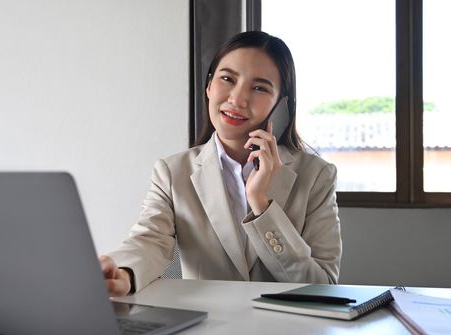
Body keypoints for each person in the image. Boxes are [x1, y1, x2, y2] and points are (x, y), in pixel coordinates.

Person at [100, 31, 342, 297]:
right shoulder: (173, 172)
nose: (237, 100)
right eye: (227, 79)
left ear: (281, 106)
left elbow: (322, 287)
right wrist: (124, 273)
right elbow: (149, 241)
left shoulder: (317, 176)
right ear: (209, 86)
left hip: (290, 333)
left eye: (259, 87)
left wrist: (261, 204)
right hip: (206, 331)